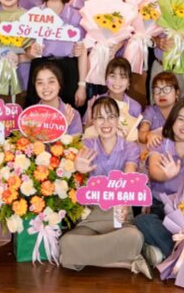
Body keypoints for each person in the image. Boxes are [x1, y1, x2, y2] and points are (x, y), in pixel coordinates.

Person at [60, 97, 149, 276]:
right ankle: (126, 263)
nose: (106, 123)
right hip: (92, 215)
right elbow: (74, 180)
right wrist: (78, 169)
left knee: (134, 237)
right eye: (100, 117)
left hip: (118, 213)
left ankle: (85, 258)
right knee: (65, 243)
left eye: (111, 116)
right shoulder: (86, 145)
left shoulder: (130, 148)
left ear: (118, 119)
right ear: (93, 121)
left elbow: (129, 176)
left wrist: (123, 201)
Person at [134, 99, 184, 265]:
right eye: (181, 119)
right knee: (142, 221)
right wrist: (166, 175)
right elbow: (154, 171)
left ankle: (165, 252)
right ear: (172, 121)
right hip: (161, 208)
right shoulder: (160, 145)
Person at [26, 0, 88, 110]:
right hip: (40, 69)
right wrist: (31, 51)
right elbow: (27, 52)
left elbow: (82, 52)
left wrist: (82, 86)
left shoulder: (76, 16)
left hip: (68, 70)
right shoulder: (33, 15)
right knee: (38, 116)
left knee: (68, 115)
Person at [24, 62, 82, 135]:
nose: (46, 87)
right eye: (40, 83)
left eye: (51, 82)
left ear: (59, 84)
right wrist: (61, 126)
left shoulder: (72, 114)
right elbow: (27, 141)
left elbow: (76, 142)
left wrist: (64, 127)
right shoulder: (29, 115)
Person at [137, 71, 180, 147]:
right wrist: (148, 135)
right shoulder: (150, 111)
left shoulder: (182, 111)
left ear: (177, 93)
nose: (161, 94)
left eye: (167, 89)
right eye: (157, 90)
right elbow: (141, 134)